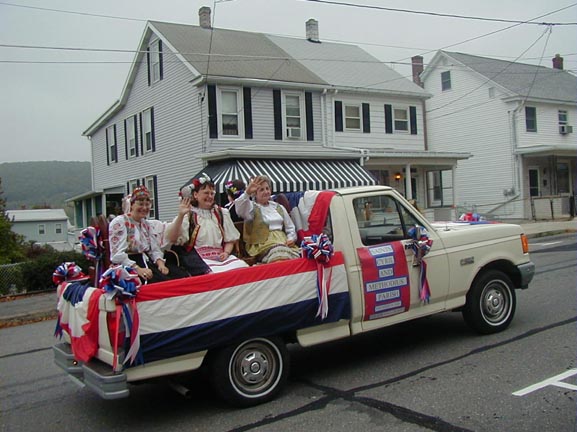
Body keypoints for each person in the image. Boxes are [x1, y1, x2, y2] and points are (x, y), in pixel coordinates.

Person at [166, 173, 248, 273]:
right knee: (212, 273)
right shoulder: (189, 215)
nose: (210, 196)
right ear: (195, 195)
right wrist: (180, 216)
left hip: (220, 257)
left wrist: (226, 253)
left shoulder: (222, 213)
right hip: (199, 261)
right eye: (206, 193)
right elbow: (172, 238)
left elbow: (230, 239)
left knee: (242, 268)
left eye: (212, 193)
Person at [108, 185, 169, 283]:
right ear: (132, 205)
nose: (144, 208)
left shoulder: (146, 224)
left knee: (174, 276)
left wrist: (160, 264)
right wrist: (137, 268)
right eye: (140, 204)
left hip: (145, 261)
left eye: (147, 204)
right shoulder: (120, 222)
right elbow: (116, 255)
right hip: (126, 266)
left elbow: (154, 249)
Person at [235, 175, 300, 263]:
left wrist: (291, 238)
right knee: (280, 256)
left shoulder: (278, 207)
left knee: (299, 256)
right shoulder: (250, 208)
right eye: (261, 190)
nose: (266, 192)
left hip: (283, 241)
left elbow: (290, 227)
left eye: (267, 188)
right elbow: (239, 209)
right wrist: (247, 192)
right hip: (263, 244)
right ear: (255, 193)